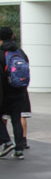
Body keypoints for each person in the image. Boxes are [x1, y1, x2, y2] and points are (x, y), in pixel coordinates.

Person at [0, 26, 28, 160]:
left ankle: (6, 142)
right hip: (20, 91)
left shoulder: (1, 52)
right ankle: (19, 150)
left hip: (5, 93)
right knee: (16, 120)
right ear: (12, 36)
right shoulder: (19, 52)